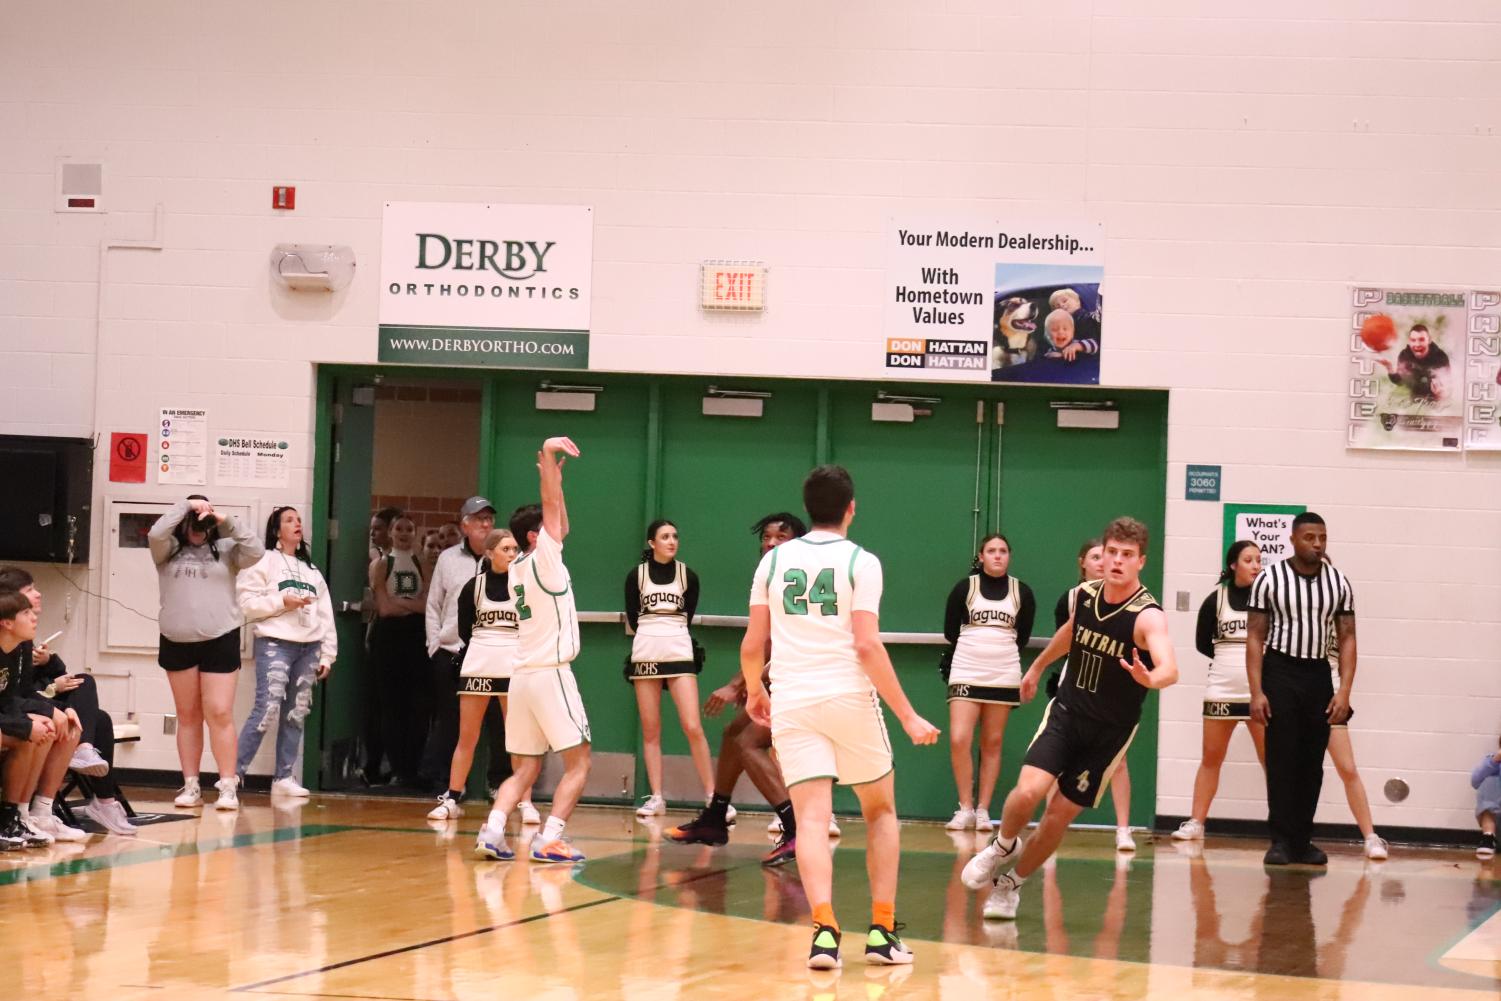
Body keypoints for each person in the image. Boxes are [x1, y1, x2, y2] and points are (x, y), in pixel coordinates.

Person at [742, 464, 940, 969]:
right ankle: (881, 931)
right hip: (848, 697)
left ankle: (824, 933)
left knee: (810, 818)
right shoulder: (862, 561)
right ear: (851, 508)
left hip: (793, 699)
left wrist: (753, 691)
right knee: (880, 812)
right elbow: (867, 645)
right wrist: (909, 715)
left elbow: (751, 645)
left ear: (808, 510)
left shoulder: (772, 561)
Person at [963, 517, 1177, 922]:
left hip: (1109, 733)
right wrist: (1038, 667)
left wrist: (1151, 677)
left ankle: (1011, 886)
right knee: (1027, 792)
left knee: (1058, 814)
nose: (1116, 561)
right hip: (1067, 712)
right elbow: (1071, 631)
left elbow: (1171, 668)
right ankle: (1003, 845)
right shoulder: (1083, 595)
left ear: (1140, 562)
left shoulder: (1148, 616)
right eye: (1111, 552)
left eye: (1126, 555)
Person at [665, 512, 816, 867]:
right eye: (766, 536)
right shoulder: (771, 576)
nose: (771, 542)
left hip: (808, 679)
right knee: (735, 734)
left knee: (749, 744)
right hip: (787, 676)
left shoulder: (796, 579)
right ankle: (716, 818)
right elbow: (766, 642)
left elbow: (777, 644)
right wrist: (751, 682)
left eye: (782, 536)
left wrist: (741, 684)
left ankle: (798, 831)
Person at [475, 436, 592, 864]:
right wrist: (546, 456)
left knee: (524, 769)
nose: (559, 522)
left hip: (520, 677)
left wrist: (555, 478)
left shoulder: (519, 567)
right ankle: (550, 837)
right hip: (550, 672)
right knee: (579, 763)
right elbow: (551, 511)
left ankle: (492, 830)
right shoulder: (544, 557)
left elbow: (554, 511)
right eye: (549, 521)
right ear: (534, 534)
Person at [1247, 512, 1356, 867]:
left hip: (1317, 674)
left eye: (1322, 537)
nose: (1318, 544)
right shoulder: (1270, 579)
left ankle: (1302, 840)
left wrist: (1344, 692)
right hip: (1280, 670)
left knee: (1312, 762)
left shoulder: (1339, 582)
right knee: (1281, 758)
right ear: (1293, 539)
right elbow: (1255, 636)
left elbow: (1348, 637)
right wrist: (1256, 691)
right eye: (1309, 537)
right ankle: (1279, 840)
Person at [148, 495, 263, 810]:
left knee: (219, 712)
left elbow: (256, 549)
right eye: (192, 521)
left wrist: (222, 517)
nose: (197, 527)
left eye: (203, 522)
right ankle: (190, 786)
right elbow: (156, 533)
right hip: (176, 639)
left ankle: (228, 785)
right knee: (188, 716)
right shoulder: (166, 550)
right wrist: (185, 506)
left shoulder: (226, 551)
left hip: (219, 638)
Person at [0, 567, 135, 836]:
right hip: (17, 710)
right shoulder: (13, 643)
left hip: (19, 706)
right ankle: (17, 815)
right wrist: (46, 702)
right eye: (29, 593)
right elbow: (15, 697)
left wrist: (51, 703)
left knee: (84, 714)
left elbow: (17, 695)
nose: (37, 596)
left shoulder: (23, 643)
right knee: (46, 729)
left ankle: (38, 813)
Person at [427, 528, 538, 825]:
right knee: (468, 736)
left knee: (515, 738)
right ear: (489, 553)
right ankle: (452, 797)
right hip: (478, 662)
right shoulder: (472, 588)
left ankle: (525, 802)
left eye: (515, 549)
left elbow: (530, 627)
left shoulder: (524, 587)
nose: (512, 554)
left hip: (511, 664)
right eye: (506, 549)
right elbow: (465, 631)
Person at [234, 507, 337, 797]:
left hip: (310, 647)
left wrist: (328, 654)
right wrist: (282, 602)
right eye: (289, 520)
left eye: (299, 520)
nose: (297, 524)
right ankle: (234, 774)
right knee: (266, 708)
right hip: (275, 642)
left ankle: (283, 777)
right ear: (277, 530)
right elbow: (247, 604)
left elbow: (325, 615)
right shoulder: (263, 561)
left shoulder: (311, 570)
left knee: (297, 712)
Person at [1172, 541, 1267, 841]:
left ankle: (1283, 826)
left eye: (1258, 560)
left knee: (1272, 761)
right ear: (1233, 565)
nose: (1255, 565)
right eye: (1248, 560)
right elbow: (1202, 643)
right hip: (1222, 690)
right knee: (1211, 758)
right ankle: (1196, 823)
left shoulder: (1270, 600)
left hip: (1260, 693)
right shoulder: (1216, 599)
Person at [940, 533, 1035, 833]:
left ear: (1009, 556)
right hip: (967, 668)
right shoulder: (965, 588)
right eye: (991, 551)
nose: (997, 556)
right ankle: (964, 807)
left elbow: (1024, 635)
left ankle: (983, 810)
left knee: (992, 743)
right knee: (959, 737)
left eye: (1003, 551)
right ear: (981, 556)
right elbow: (950, 631)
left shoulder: (1022, 591)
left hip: (1003, 670)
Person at [1049, 538, 1137, 852]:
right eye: (1096, 556)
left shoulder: (1129, 601)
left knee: (1119, 762)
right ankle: (1052, 826)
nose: (1102, 562)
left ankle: (1123, 829)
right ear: (1082, 563)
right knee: (1057, 756)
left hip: (1110, 692)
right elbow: (1063, 643)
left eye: (1107, 555)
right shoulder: (1072, 599)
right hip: (1075, 686)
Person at [625, 519, 713, 817]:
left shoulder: (688, 575)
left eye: (675, 536)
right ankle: (657, 797)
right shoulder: (636, 576)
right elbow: (634, 618)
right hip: (646, 647)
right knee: (651, 730)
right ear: (652, 543)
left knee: (692, 725)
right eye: (665, 537)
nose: (672, 541)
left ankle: (714, 797)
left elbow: (688, 615)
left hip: (678, 644)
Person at [425, 499, 511, 795]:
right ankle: (449, 787)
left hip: (496, 656)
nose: (485, 524)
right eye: (478, 519)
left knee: (501, 725)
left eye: (489, 518)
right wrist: (433, 645)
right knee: (453, 723)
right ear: (465, 525)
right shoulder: (448, 558)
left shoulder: (512, 566)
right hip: (451, 652)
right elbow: (433, 604)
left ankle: (499, 783)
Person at [368, 511, 430, 786]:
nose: (404, 534)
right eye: (399, 529)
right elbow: (384, 608)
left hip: (417, 635)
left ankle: (412, 769)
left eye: (409, 529)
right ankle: (396, 768)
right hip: (389, 637)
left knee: (417, 704)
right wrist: (410, 603)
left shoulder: (424, 563)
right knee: (391, 705)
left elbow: (427, 606)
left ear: (415, 534)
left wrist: (400, 602)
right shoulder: (381, 565)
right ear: (391, 533)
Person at [0, 591, 58, 850]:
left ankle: (13, 817)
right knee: (25, 735)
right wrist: (24, 726)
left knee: (35, 736)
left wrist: (40, 716)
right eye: (26, 613)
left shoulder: (11, 653)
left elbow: (8, 701)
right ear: (7, 623)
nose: (34, 618)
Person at [1375, 323, 1451, 402]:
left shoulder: (1441, 357)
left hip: (1435, 403)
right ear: (1409, 341)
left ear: (1429, 340)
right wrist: (1389, 367)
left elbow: (1448, 386)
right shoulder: (1404, 355)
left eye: (1421, 339)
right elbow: (1401, 382)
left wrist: (1440, 392)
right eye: (1413, 340)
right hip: (1413, 402)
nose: (1417, 344)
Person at [1471, 737, 1501, 859]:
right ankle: (1488, 836)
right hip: (1498, 823)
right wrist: (1495, 761)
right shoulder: (1493, 760)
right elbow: (1475, 781)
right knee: (1489, 780)